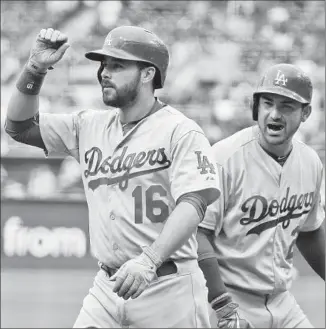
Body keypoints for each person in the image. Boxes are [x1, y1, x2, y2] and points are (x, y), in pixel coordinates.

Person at [5, 26, 221, 328]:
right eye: (104, 64)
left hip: (168, 286)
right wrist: (35, 69)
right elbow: (19, 126)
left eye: (117, 65)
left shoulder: (180, 130)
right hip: (107, 286)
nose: (104, 72)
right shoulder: (88, 126)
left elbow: (195, 202)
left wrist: (149, 260)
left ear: (148, 74)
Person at [197, 63, 325, 328]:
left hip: (282, 301)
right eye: (267, 103)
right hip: (228, 297)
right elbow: (197, 234)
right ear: (256, 107)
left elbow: (310, 231)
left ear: (306, 113)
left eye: (287, 106)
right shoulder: (224, 158)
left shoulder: (310, 162)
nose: (274, 114)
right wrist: (222, 304)